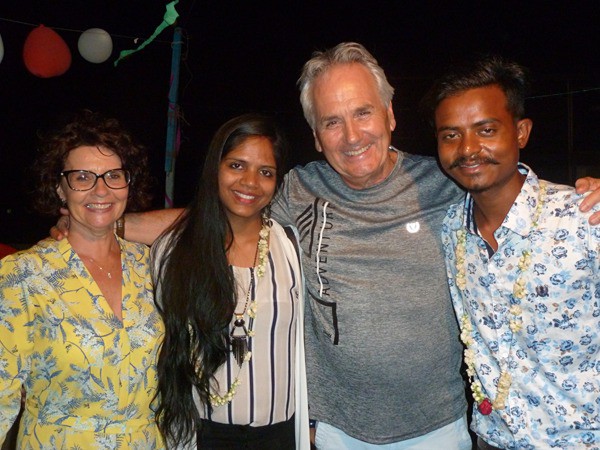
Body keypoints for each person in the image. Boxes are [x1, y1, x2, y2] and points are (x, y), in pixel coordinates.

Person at [51, 43, 600, 449]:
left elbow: (499, 179)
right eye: (332, 122)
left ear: (389, 115)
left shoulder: (444, 182)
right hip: (333, 431)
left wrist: (584, 196)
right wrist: (104, 224)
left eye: (363, 113)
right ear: (315, 137)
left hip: (439, 429)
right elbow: (214, 215)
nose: (352, 135)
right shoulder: (298, 189)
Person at [423, 55, 600, 449]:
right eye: (450, 135)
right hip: (492, 439)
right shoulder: (450, 230)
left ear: (521, 132)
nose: (468, 149)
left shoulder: (585, 219)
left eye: (486, 130)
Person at [0, 110, 165, 448]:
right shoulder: (24, 275)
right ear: (60, 189)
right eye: (82, 177)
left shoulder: (151, 265)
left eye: (113, 176)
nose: (100, 190)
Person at [151, 113, 309, 449]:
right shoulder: (172, 251)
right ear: (215, 168)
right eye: (237, 165)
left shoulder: (291, 248)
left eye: (265, 172)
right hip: (203, 435)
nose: (250, 182)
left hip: (279, 436)